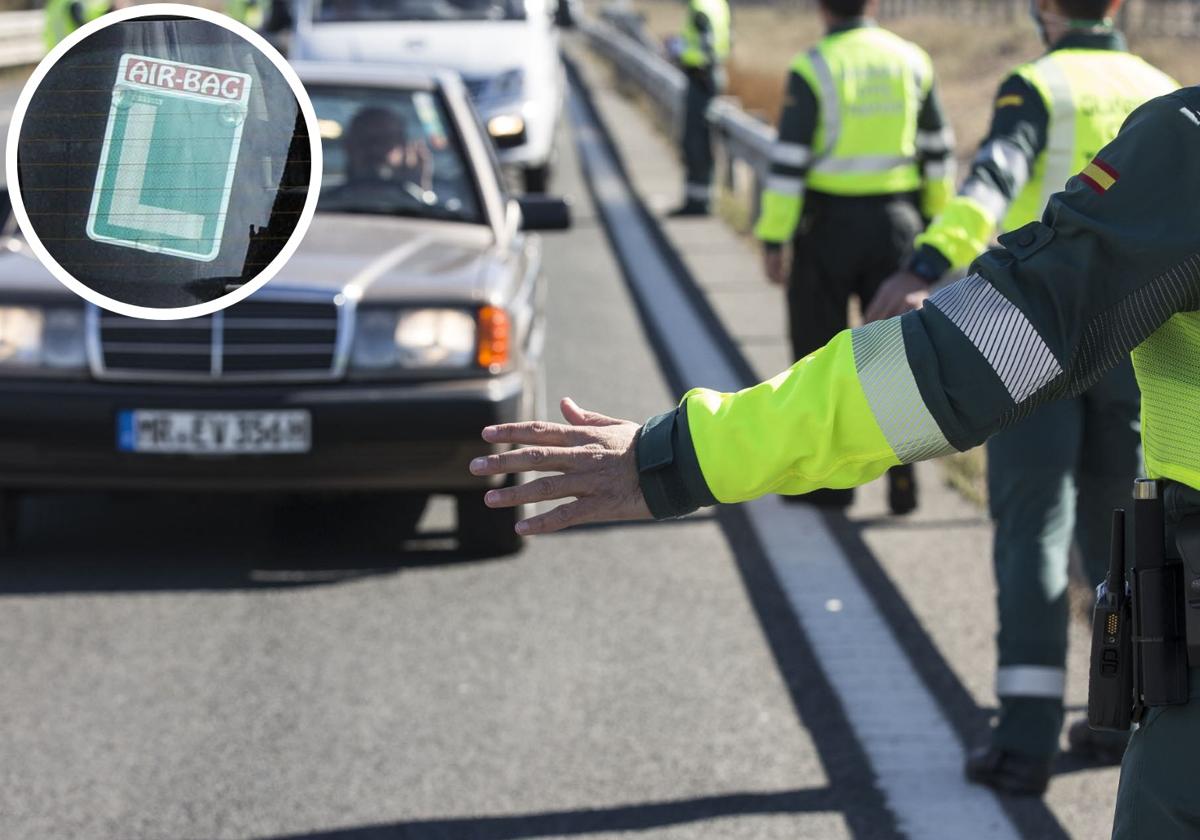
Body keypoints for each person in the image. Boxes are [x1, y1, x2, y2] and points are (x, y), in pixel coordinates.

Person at [469, 84, 1200, 838]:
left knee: (1032, 533)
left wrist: (679, 456)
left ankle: (1025, 734)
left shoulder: (1183, 138)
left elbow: (968, 360)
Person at [864, 0, 1176, 794]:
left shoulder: (1037, 85)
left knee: (1033, 528)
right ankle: (1117, 722)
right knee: (1124, 538)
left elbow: (991, 182)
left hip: (1032, 343)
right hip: (1136, 350)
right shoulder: (1160, 86)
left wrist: (927, 264)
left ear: (1044, 10)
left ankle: (1026, 743)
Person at [754, 0, 955, 513]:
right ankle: (903, 484)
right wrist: (935, 227)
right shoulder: (912, 60)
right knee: (896, 359)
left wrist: (775, 238)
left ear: (820, 7)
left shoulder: (813, 67)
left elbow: (788, 163)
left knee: (819, 356)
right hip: (898, 225)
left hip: (827, 228)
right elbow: (937, 149)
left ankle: (830, 486)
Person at [668, 0, 730, 216]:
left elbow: (707, 43)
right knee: (702, 141)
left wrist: (702, 67)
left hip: (701, 79)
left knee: (695, 142)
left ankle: (696, 204)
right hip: (710, 77)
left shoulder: (700, 7)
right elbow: (728, 39)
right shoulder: (718, 4)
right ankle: (699, 200)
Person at [43, 0, 120, 48]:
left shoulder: (56, 4)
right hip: (72, 51)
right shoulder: (74, 3)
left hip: (56, 51)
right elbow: (86, 29)